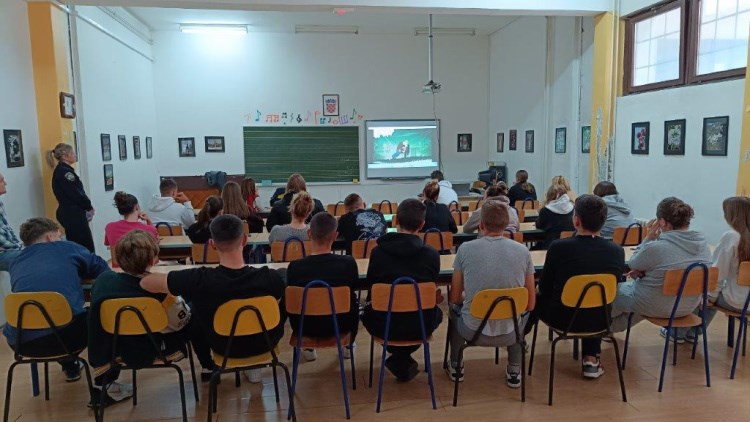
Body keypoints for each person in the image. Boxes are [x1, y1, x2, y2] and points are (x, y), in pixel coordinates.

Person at [140, 214, 286, 385]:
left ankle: (208, 366)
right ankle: (253, 366)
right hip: (266, 344)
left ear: (212, 244)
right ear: (245, 240)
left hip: (222, 347)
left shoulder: (199, 279)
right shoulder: (270, 277)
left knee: (194, 311)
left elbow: (145, 283)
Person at [88, 231, 214, 407]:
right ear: (153, 259)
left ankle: (105, 385)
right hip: (154, 348)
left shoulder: (103, 281)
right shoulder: (158, 290)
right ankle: (208, 365)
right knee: (193, 313)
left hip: (114, 348)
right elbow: (180, 322)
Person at [2, 218, 109, 383]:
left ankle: (71, 368)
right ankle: (106, 377)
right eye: (59, 236)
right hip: (67, 340)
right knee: (97, 314)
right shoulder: (66, 248)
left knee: (51, 318)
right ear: (50, 237)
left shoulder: (16, 261)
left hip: (21, 343)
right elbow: (102, 269)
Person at [446, 201, 535, 387]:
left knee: (454, 309)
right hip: (511, 332)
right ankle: (514, 368)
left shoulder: (465, 249)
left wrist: (470, 299)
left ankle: (456, 364)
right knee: (518, 311)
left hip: (472, 330)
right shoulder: (523, 251)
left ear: (481, 225)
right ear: (507, 224)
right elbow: (530, 304)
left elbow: (454, 298)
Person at [535, 195, 625, 378]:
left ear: (576, 221)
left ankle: (518, 345)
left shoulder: (559, 248)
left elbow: (544, 287)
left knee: (535, 296)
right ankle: (591, 359)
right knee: (593, 300)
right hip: (601, 321)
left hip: (562, 318)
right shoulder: (617, 251)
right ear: (603, 222)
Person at [362, 199, 443, 382]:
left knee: (370, 311)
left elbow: (371, 288)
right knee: (436, 313)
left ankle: (399, 358)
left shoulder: (378, 253)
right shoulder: (431, 254)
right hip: (420, 325)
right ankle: (402, 358)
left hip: (385, 325)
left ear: (395, 220)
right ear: (422, 224)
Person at [610, 197, 712, 333]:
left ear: (662, 222)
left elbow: (633, 263)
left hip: (654, 303)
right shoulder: (704, 246)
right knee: (638, 307)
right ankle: (606, 327)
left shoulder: (656, 248)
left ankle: (598, 326)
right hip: (687, 307)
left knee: (611, 291)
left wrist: (648, 238)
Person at [286, 213, 360, 361]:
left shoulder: (294, 267)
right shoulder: (348, 263)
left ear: (309, 233)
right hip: (341, 326)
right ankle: (348, 346)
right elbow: (354, 286)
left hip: (305, 329)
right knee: (351, 298)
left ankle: (308, 348)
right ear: (335, 236)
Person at [676, 196, 750, 342]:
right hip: (746, 301)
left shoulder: (732, 236)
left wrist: (709, 296)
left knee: (702, 291)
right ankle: (694, 333)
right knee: (712, 293)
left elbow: (717, 273)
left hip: (737, 301)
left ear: (733, 215)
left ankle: (679, 333)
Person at [46, 143, 95, 252]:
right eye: (72, 153)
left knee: (81, 243)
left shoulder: (63, 170)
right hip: (72, 213)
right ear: (65, 156)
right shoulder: (64, 172)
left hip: (71, 212)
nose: (75, 155)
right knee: (84, 246)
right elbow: (76, 193)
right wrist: (88, 206)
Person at [535, 185, 574, 249]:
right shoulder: (573, 209)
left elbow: (539, 225)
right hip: (571, 246)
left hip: (550, 246)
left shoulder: (545, 210)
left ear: (549, 196)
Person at [0, 173, 23, 271]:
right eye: (1, 181)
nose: (5, 183)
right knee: (30, 258)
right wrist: (19, 248)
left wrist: (18, 245)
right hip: (2, 253)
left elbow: (7, 229)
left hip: (7, 250)